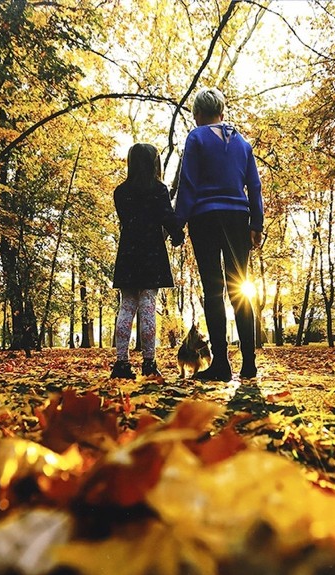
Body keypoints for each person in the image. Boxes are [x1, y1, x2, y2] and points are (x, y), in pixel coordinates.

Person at [174, 88, 263, 381]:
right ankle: (249, 364)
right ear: (221, 113)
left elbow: (188, 183)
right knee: (241, 288)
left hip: (205, 217)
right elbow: (255, 186)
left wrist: (177, 222)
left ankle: (222, 365)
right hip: (239, 217)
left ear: (198, 114)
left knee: (214, 291)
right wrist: (256, 223)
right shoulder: (243, 143)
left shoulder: (196, 137)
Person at [110, 143, 184, 379]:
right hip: (151, 253)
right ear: (154, 164)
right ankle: (149, 364)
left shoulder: (120, 192)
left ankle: (121, 364)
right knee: (148, 307)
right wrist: (177, 234)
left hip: (128, 253)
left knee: (126, 306)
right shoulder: (158, 189)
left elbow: (126, 219)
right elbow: (166, 216)